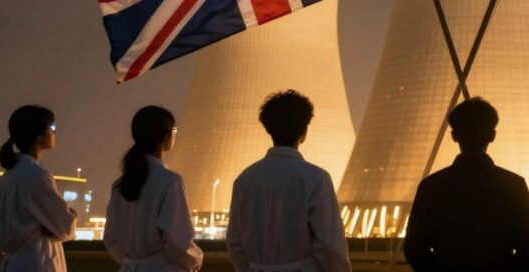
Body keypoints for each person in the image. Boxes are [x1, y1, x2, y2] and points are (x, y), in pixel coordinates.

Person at [404, 97, 529, 272]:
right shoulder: (513, 184)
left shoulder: (432, 186)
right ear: (492, 135)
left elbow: (414, 246)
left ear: (454, 136)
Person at [226, 90, 350, 272]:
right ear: (304, 131)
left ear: (268, 129)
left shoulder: (245, 179)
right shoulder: (315, 179)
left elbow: (234, 242)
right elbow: (330, 246)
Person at [104, 106, 203, 271]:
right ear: (165, 136)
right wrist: (195, 261)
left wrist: (131, 261)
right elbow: (178, 241)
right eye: (174, 130)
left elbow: (111, 238)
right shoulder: (169, 181)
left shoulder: (120, 185)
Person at [0, 105, 78, 272]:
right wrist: (72, 214)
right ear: (39, 135)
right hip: (35, 262)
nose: (55, 132)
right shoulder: (36, 175)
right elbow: (64, 227)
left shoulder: (10, 175)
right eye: (52, 127)